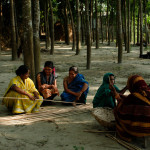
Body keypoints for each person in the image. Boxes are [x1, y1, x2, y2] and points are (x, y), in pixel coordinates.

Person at [111, 75, 150, 142]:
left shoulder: (133, 97)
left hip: (140, 130)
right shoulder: (147, 93)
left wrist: (116, 95)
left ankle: (129, 134)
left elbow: (123, 106)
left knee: (117, 111)